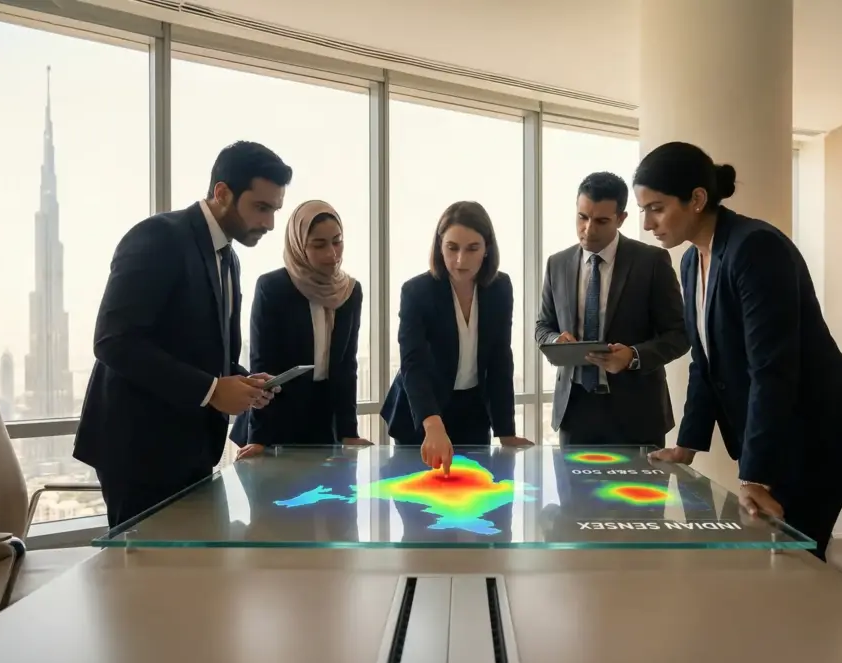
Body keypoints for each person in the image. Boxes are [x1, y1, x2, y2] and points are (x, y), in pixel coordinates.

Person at [635, 141, 842, 560]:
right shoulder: (692, 262)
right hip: (782, 436)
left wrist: (756, 475)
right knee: (782, 563)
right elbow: (704, 363)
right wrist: (687, 444)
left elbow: (772, 367)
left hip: (816, 436)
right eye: (643, 209)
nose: (646, 223)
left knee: (795, 563)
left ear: (696, 199)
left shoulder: (756, 247)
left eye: (656, 208)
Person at [74, 141, 292, 528]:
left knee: (193, 579)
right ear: (222, 193)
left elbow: (202, 349)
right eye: (261, 208)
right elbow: (113, 340)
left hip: (192, 448)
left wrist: (239, 381)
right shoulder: (159, 237)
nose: (270, 223)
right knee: (145, 583)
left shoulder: (229, 257)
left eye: (275, 210)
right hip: (139, 452)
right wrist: (211, 389)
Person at [536, 172, 689, 448]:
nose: (588, 229)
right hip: (574, 412)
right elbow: (543, 326)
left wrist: (633, 356)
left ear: (621, 219)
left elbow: (679, 334)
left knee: (643, 493)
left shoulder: (651, 262)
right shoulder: (556, 264)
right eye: (582, 217)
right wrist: (554, 340)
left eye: (601, 221)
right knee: (573, 494)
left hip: (638, 414)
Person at [381, 201, 533, 474]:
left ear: (487, 248)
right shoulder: (417, 291)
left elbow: (500, 358)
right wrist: (432, 424)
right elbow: (412, 364)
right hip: (422, 414)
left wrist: (505, 431)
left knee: (479, 509)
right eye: (452, 248)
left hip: (472, 412)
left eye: (472, 248)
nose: (460, 260)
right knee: (421, 508)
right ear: (440, 246)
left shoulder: (500, 287)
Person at [230, 200, 372, 456]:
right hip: (277, 420)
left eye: (337, 241)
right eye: (319, 245)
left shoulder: (350, 291)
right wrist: (259, 438)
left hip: (325, 423)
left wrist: (349, 432)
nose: (332, 254)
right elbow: (264, 367)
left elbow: (346, 366)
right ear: (298, 245)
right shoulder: (273, 288)